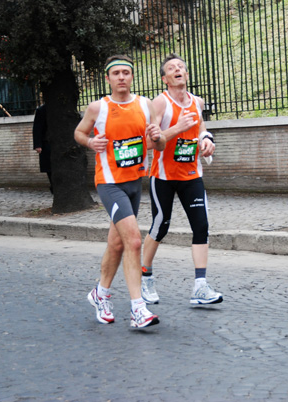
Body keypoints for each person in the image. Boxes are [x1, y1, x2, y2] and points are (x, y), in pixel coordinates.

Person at [74, 55, 166, 328]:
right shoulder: (98, 107)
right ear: (108, 79)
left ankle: (99, 293)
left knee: (117, 243)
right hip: (109, 184)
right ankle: (138, 309)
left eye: (126, 72)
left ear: (132, 76)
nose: (122, 77)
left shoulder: (144, 105)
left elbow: (156, 146)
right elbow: (78, 133)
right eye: (117, 73)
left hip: (134, 183)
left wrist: (158, 137)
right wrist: (91, 142)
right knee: (134, 241)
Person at [141, 53, 223, 306]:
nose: (177, 70)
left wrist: (207, 139)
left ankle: (200, 287)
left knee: (201, 226)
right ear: (165, 79)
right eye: (171, 68)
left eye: (181, 67)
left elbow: (200, 129)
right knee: (160, 226)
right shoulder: (160, 104)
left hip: (192, 174)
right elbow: (149, 143)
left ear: (186, 75)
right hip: (164, 176)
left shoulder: (196, 102)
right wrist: (177, 127)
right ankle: (145, 276)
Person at [32, 104, 53, 193]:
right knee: (49, 168)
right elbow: (37, 128)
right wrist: (38, 145)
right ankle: (54, 186)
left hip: (59, 142)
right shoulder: (41, 110)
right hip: (47, 143)